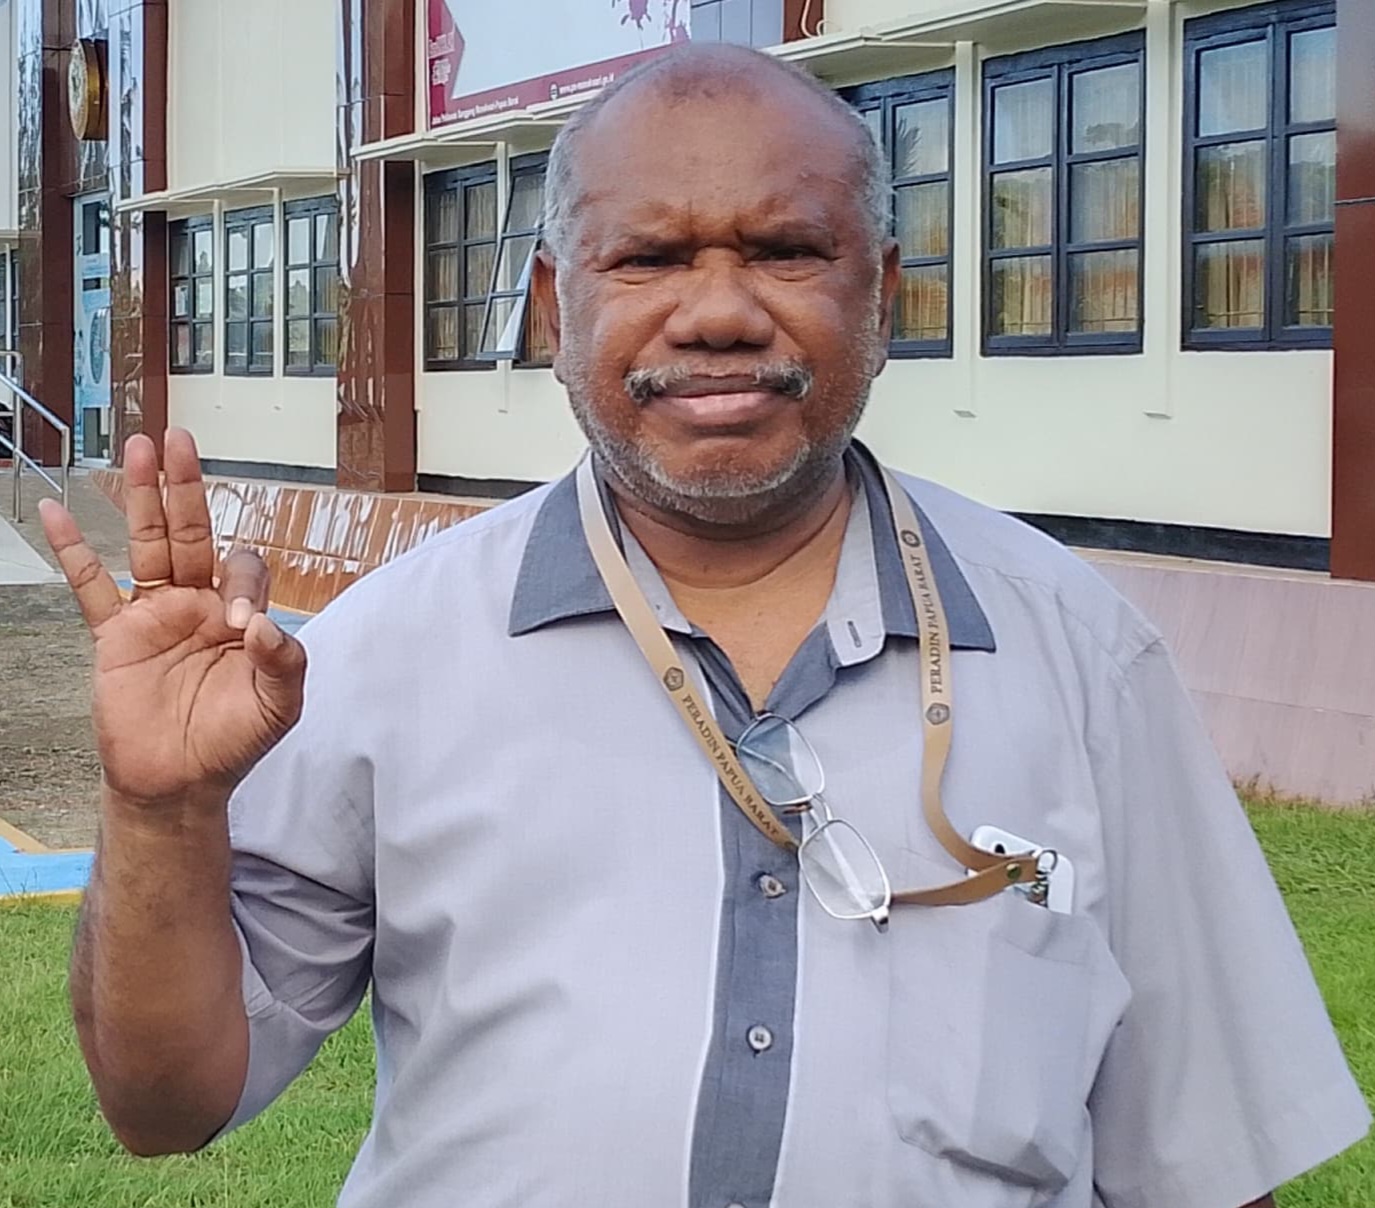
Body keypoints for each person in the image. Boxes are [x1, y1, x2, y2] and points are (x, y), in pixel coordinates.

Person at [42, 42, 1367, 1208]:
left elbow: (1202, 1157)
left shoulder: (1083, 654)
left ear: (882, 293)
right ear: (555, 306)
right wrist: (158, 813)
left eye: (786, 250)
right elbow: (165, 1107)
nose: (721, 313)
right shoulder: (383, 654)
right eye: (651, 257)